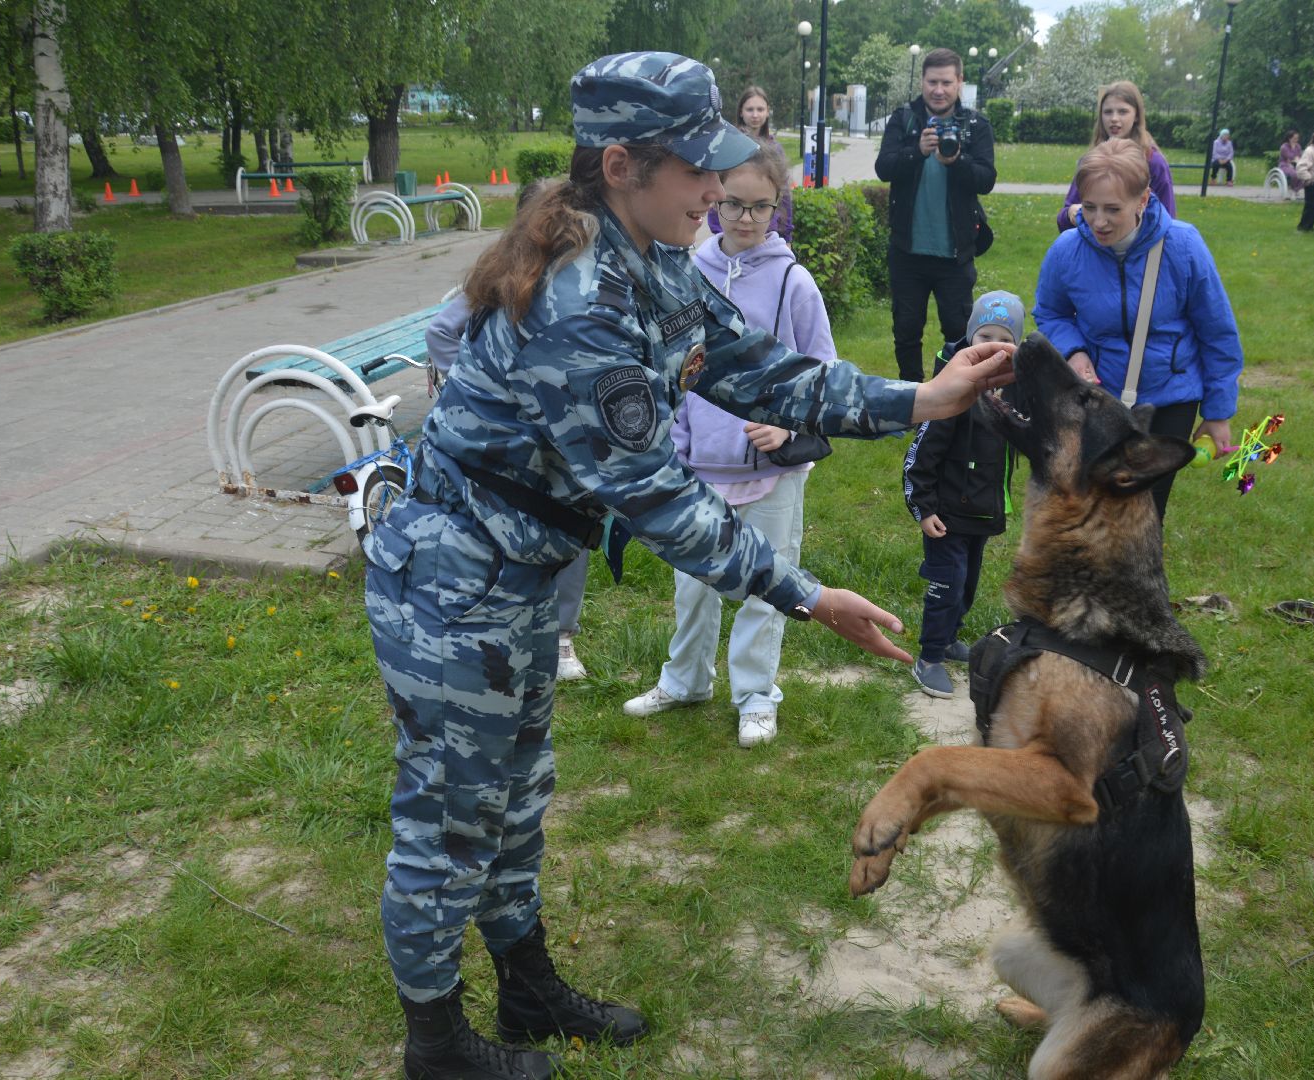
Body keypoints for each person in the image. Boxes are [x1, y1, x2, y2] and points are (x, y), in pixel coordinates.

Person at [362, 51, 1015, 1080]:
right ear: (620, 164)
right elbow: (658, 500)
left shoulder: (648, 256)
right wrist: (804, 594)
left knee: (515, 794)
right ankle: (433, 1046)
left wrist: (920, 401)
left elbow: (756, 367)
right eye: (697, 169)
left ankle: (525, 987)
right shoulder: (582, 300)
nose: (717, 190)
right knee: (450, 818)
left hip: (516, 574)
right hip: (455, 585)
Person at [624, 144, 833, 747]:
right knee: (692, 583)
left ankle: (755, 696)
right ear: (715, 199)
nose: (745, 218)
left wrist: (788, 429)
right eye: (734, 204)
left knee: (768, 586)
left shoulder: (795, 281)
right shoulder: (687, 272)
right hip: (695, 463)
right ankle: (685, 679)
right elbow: (668, 360)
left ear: (778, 206)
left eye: (760, 207)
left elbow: (822, 370)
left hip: (771, 468)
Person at [423, 181, 593, 682]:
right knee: (502, 531)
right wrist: (486, 393)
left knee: (569, 520)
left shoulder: (576, 287)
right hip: (506, 446)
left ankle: (560, 635)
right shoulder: (504, 276)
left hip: (557, 437)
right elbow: (440, 332)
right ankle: (499, 631)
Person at [1033, 139, 1243, 521]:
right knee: (1096, 501)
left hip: (1171, 397)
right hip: (1101, 399)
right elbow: (1050, 312)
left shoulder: (1183, 246)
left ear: (1143, 199)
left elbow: (1218, 333)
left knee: (1145, 508)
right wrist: (1074, 351)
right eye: (1091, 206)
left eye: (1113, 209)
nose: (1098, 221)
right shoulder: (1067, 250)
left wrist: (1218, 411)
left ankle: (1135, 577)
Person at [903, 290, 1022, 698]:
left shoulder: (1011, 392)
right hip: (945, 515)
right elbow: (921, 453)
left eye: (1003, 340)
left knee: (968, 582)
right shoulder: (950, 390)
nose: (993, 347)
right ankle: (929, 656)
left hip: (981, 513)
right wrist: (922, 507)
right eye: (983, 335)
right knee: (947, 583)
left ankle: (951, 636)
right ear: (970, 338)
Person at [875, 47, 997, 382]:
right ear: (922, 81)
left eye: (946, 82)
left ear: (959, 82)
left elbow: (986, 179)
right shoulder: (904, 119)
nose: (938, 90)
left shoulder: (975, 125)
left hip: (954, 254)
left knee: (959, 332)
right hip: (907, 252)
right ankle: (910, 400)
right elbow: (883, 168)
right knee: (906, 330)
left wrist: (956, 162)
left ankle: (954, 402)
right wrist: (917, 152)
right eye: (932, 82)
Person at [1058, 81, 1177, 231]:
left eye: (1122, 111)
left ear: (1137, 116)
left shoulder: (1153, 162)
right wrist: (1071, 214)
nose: (1114, 118)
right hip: (1094, 248)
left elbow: (1168, 221)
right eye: (1108, 112)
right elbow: (1064, 219)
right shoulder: (1091, 161)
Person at [703, 85, 793, 245]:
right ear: (741, 112)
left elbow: (785, 196)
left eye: (760, 109)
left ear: (767, 111)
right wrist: (720, 232)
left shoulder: (775, 150)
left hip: (766, 235)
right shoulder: (727, 146)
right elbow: (716, 189)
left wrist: (786, 236)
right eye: (750, 109)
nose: (755, 115)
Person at [1279, 130, 1303, 195]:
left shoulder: (1298, 146)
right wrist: (1294, 158)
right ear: (1289, 138)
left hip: (1296, 165)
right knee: (1294, 174)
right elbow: (1290, 157)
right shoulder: (1284, 147)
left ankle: (1295, 189)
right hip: (1285, 165)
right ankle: (1293, 189)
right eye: (1294, 138)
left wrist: (1295, 160)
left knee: (1304, 174)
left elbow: (1300, 157)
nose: (1296, 140)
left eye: (1297, 138)